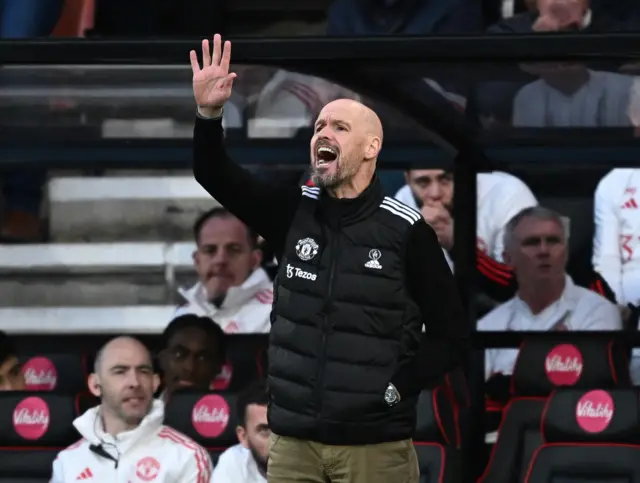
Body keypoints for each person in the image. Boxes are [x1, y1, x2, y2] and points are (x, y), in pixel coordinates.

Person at [190, 35, 468, 483]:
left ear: (371, 147)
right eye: (319, 126)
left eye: (339, 127)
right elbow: (214, 174)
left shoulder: (407, 232)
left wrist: (396, 391)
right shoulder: (290, 211)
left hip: (373, 446)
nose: (323, 133)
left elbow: (450, 335)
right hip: (293, 443)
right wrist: (208, 114)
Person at [480, 207, 622, 379]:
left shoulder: (598, 312)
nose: (544, 251)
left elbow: (592, 386)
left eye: (553, 241)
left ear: (566, 253)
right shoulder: (488, 326)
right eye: (532, 242)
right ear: (508, 259)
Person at [51, 336, 212, 482]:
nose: (134, 382)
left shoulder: (187, 457)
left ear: (155, 383)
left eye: (143, 371)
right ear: (95, 385)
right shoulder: (67, 461)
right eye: (120, 372)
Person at [175, 207, 273, 334]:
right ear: (197, 261)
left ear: (254, 260)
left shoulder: (282, 312)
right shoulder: (182, 314)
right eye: (210, 250)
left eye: (234, 250)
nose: (220, 260)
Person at [157, 314, 227, 401]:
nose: (190, 367)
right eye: (178, 354)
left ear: (218, 366)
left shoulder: (234, 414)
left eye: (202, 358)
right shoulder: (140, 413)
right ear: (162, 359)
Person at [212, 380, 270, 482]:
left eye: (282, 430)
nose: (277, 441)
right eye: (265, 430)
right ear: (243, 436)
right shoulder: (233, 462)